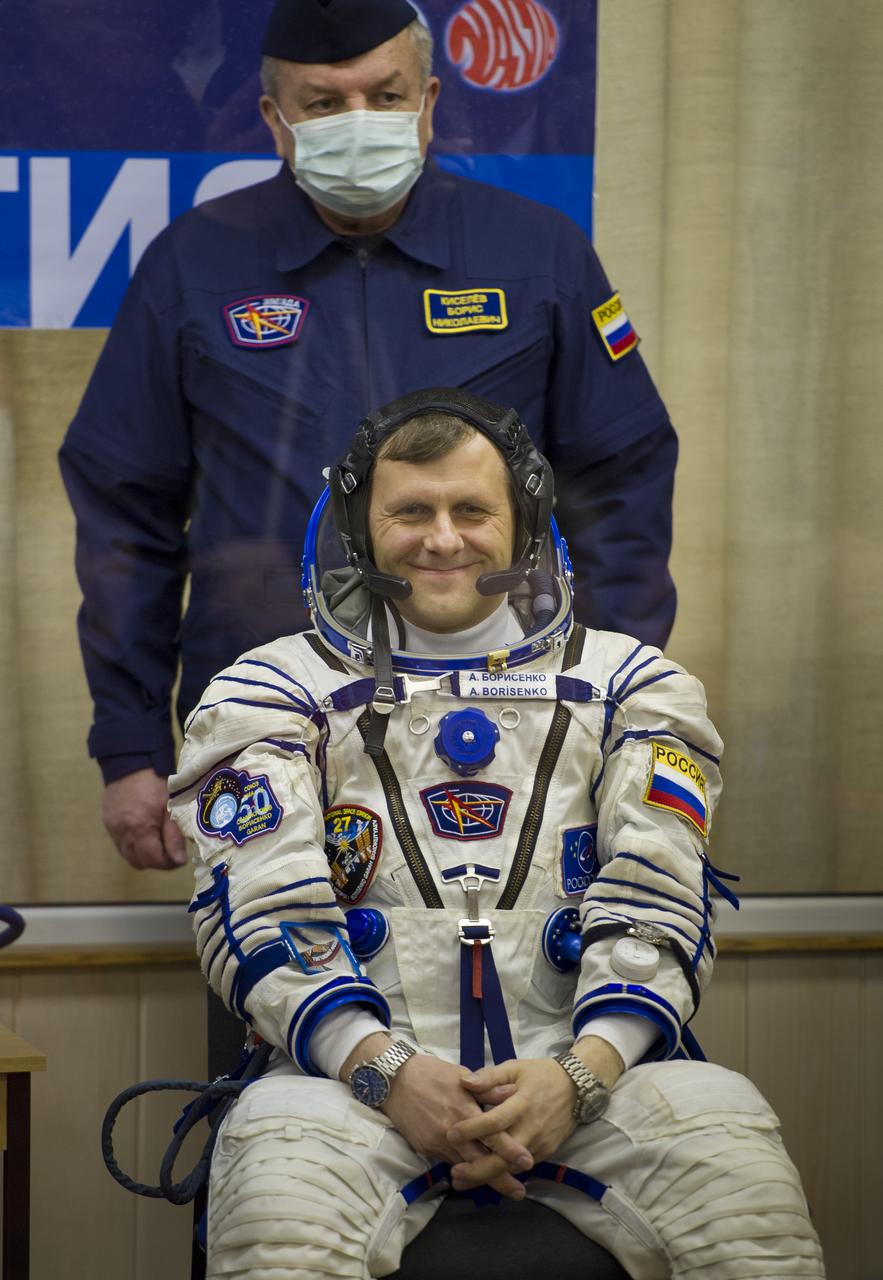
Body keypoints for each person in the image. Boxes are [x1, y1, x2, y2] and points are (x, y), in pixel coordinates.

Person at [168, 387, 825, 1279]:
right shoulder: (267, 695)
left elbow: (657, 902)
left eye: (471, 509)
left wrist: (582, 1074)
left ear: (523, 526)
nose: (442, 539)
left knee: (741, 1188)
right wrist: (385, 1071)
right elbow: (265, 915)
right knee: (279, 1214)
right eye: (411, 512)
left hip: (593, 1073)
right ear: (363, 531)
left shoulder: (633, 687)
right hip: (347, 1085)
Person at [60, 0, 679, 873]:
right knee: (274, 984)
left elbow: (622, 486)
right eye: (323, 103)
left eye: (384, 96)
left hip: (507, 718)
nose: (359, 122)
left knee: (508, 988)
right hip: (266, 726)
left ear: (428, 102)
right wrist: (128, 749)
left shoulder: (537, 253)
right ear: (274, 121)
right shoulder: (192, 265)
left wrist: (613, 702)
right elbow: (127, 518)